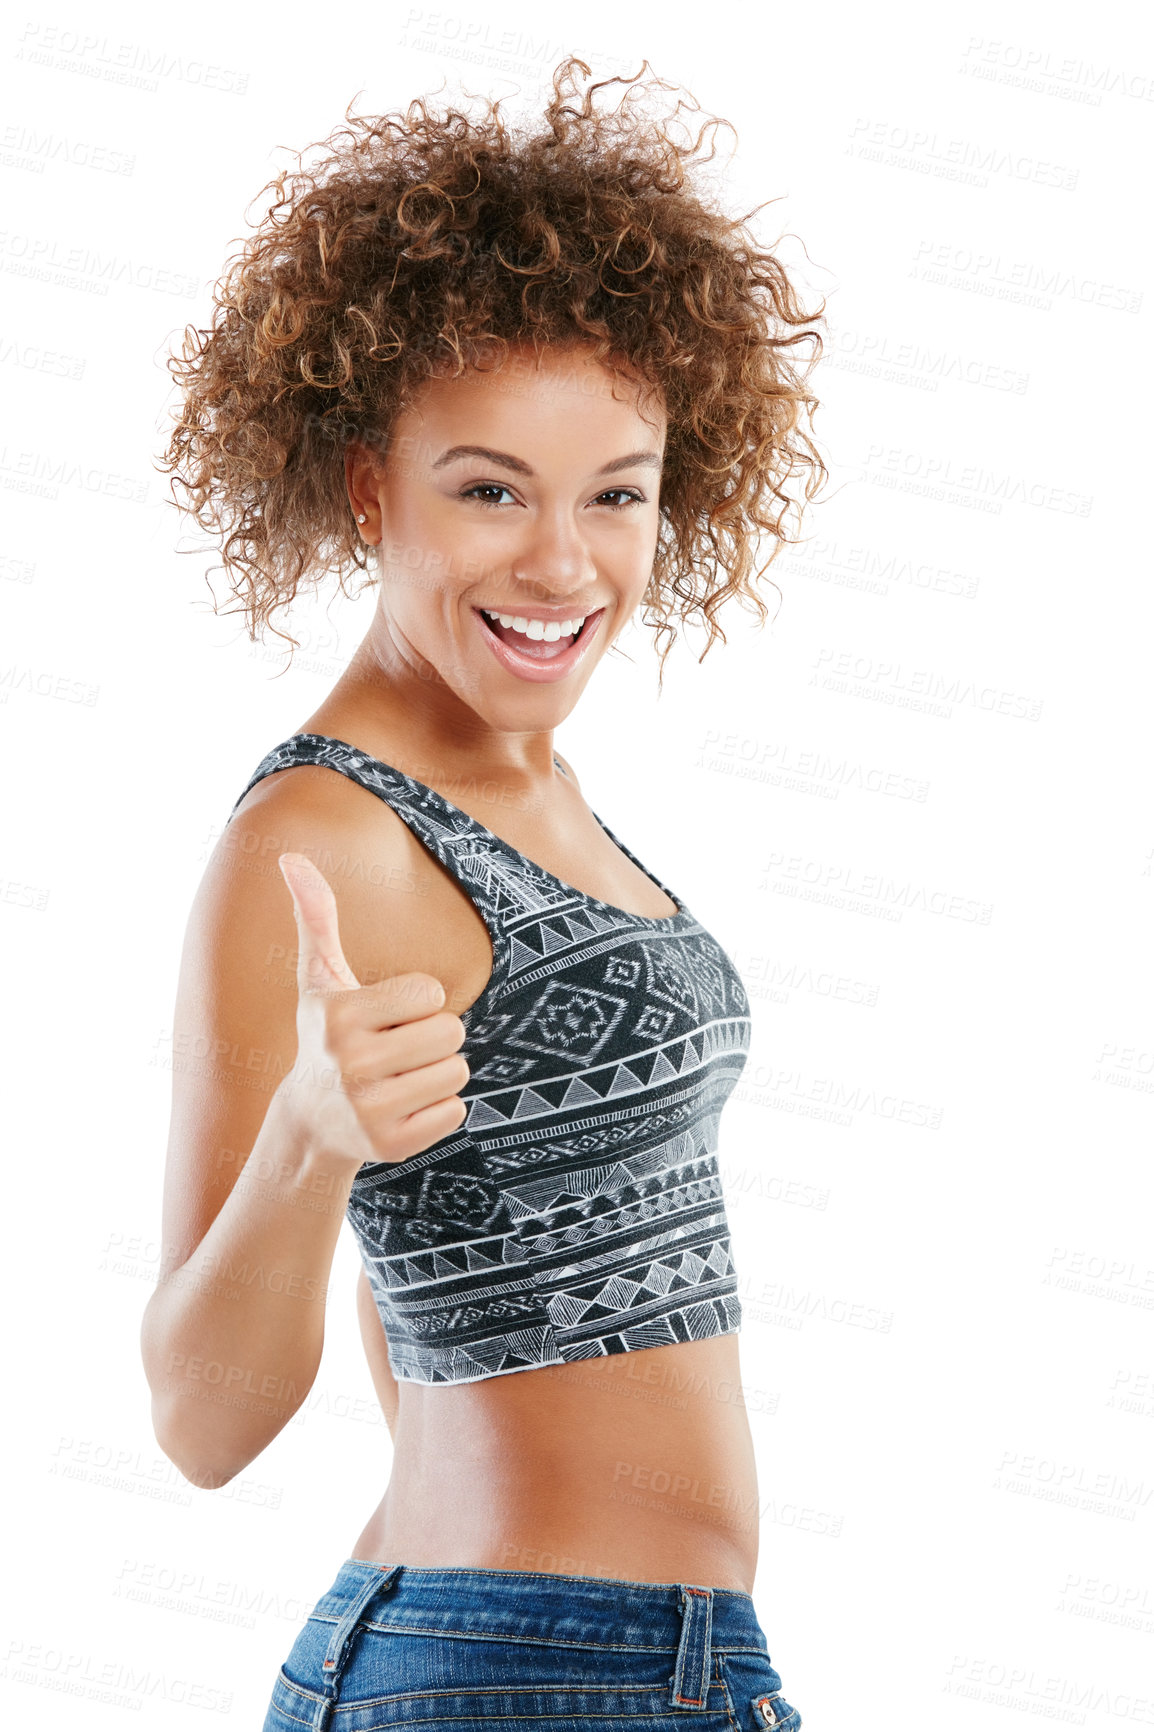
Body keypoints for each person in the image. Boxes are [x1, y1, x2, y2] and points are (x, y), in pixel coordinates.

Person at [141, 55, 825, 1732]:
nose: (561, 565)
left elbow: (444, 1304)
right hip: (524, 1668)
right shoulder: (330, 836)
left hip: (578, 1666)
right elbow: (199, 1423)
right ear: (372, 487)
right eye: (489, 489)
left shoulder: (529, 782)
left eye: (616, 495)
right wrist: (308, 1142)